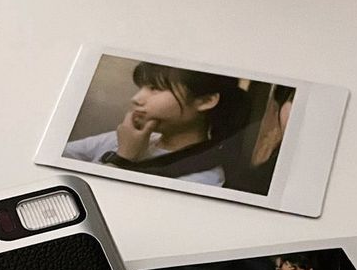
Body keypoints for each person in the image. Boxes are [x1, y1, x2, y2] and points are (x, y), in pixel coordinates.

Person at [63, 62, 250, 186]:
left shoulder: (203, 178)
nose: (136, 99)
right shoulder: (132, 137)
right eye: (141, 88)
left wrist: (123, 158)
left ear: (205, 100)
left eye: (155, 89)